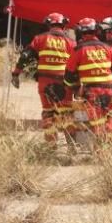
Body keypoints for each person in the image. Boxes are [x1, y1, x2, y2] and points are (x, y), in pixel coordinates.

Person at [10, 12, 75, 144]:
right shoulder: (71, 42)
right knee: (67, 113)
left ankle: (51, 146)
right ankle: (72, 146)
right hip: (65, 83)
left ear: (49, 24)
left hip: (45, 82)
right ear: (63, 25)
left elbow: (25, 56)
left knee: (48, 113)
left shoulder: (39, 39)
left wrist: (16, 73)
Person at [63, 17, 112, 141]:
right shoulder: (108, 48)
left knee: (97, 121)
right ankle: (108, 149)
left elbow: (69, 76)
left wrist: (72, 88)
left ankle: (101, 153)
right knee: (108, 116)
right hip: (108, 89)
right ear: (96, 31)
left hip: (91, 91)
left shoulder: (79, 50)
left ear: (81, 32)